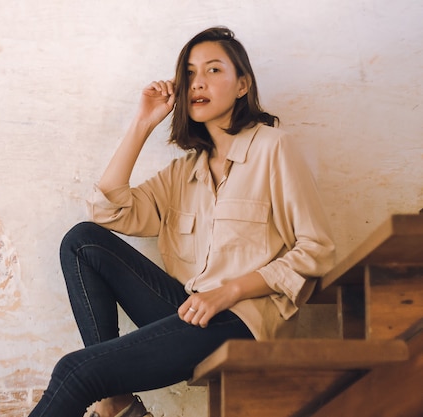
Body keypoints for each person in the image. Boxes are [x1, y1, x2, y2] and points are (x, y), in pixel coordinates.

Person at [28, 26, 335, 417]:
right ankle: (117, 401)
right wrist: (143, 122)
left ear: (243, 85)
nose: (197, 83)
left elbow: (316, 250)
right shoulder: (184, 171)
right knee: (82, 241)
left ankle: (112, 401)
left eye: (213, 70)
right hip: (190, 314)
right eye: (188, 73)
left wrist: (229, 291)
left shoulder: (273, 148)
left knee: (74, 371)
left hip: (240, 322)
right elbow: (108, 211)